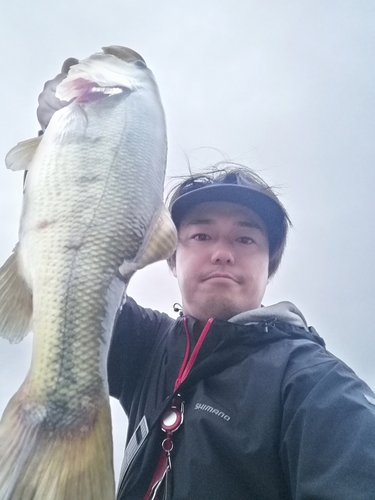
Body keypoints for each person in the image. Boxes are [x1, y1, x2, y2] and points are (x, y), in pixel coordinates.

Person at [37, 61, 375, 500]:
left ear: (268, 265)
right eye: (200, 234)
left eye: (245, 238)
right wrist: (63, 147)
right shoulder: (148, 347)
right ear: (172, 258)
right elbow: (71, 275)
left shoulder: (318, 386)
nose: (222, 251)